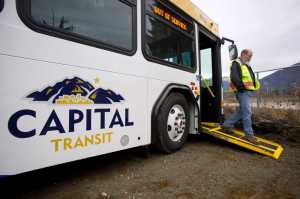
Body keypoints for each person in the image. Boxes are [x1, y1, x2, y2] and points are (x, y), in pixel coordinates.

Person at [222, 49, 260, 143]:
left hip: (247, 91)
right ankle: (249, 135)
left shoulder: (245, 64)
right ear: (243, 54)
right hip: (242, 91)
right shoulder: (236, 63)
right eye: (249, 56)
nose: (250, 58)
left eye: (251, 56)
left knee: (242, 111)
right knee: (247, 112)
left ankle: (227, 124)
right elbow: (234, 77)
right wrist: (242, 87)